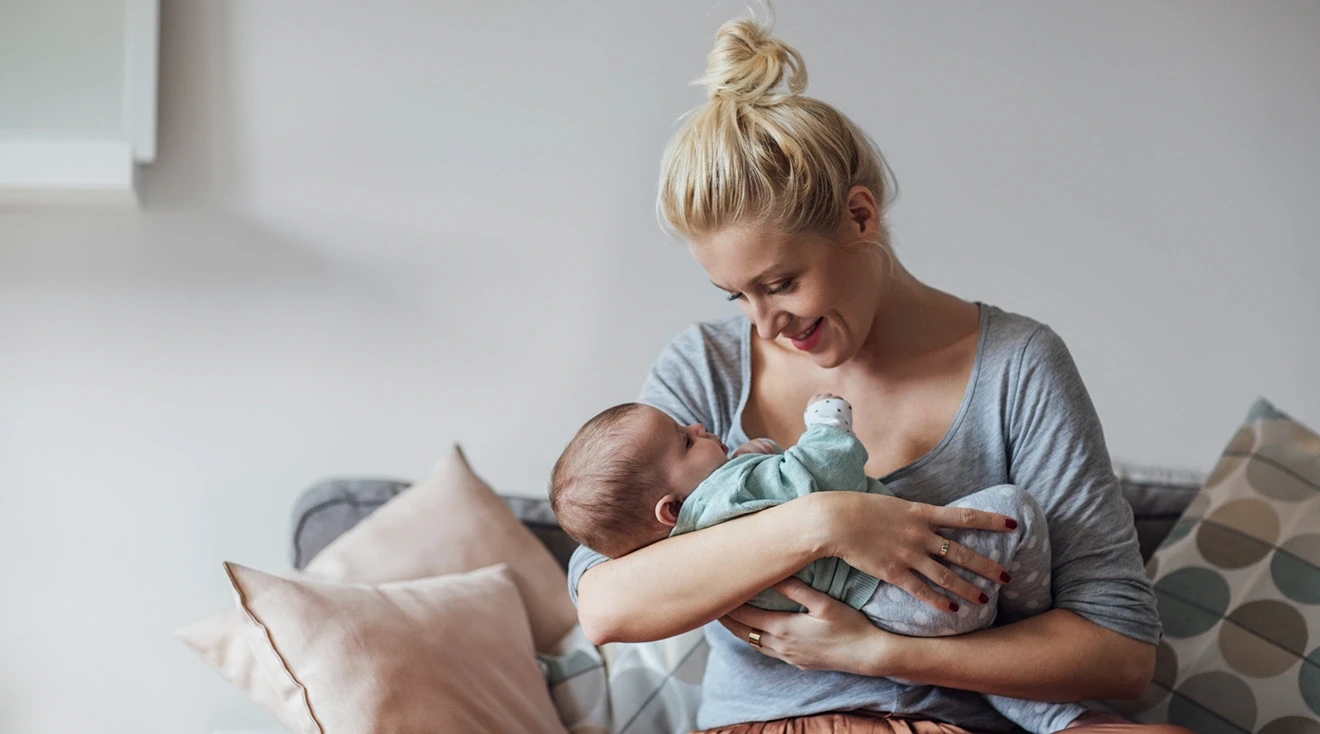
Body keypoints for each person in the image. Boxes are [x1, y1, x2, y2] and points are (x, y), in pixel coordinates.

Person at [567, 12, 1191, 734]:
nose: (764, 325)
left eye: (780, 284)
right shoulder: (704, 371)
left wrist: (879, 650)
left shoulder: (1017, 367)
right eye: (736, 296)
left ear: (860, 216)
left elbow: (1119, 655)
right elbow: (608, 605)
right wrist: (825, 521)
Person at [552, 393, 1082, 733]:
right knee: (1016, 511)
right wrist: (827, 428)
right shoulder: (730, 486)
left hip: (896, 626)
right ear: (668, 509)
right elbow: (825, 469)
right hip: (911, 598)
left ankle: (1029, 697)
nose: (699, 426)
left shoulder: (678, 548)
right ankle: (1025, 628)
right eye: (687, 440)